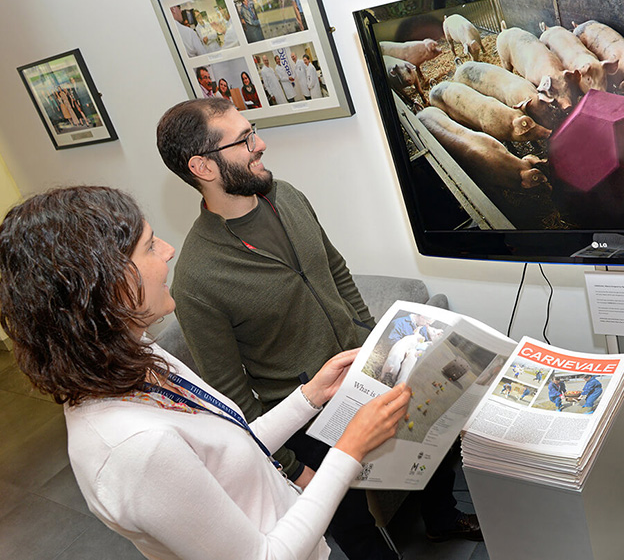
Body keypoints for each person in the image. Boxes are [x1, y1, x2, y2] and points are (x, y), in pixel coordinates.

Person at [0, 185, 411, 560]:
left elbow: (230, 447)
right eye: (148, 247)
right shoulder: (133, 449)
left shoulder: (138, 353)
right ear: (106, 284)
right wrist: (349, 451)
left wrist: (309, 397)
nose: (168, 250)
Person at [156, 98, 482, 560]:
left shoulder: (286, 195)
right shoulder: (197, 277)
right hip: (304, 416)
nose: (260, 144)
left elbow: (334, 268)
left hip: (367, 370)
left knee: (436, 439)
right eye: (244, 139)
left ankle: (442, 520)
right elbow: (231, 392)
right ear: (201, 166)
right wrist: (290, 467)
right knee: (352, 522)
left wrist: (374, 335)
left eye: (254, 131)